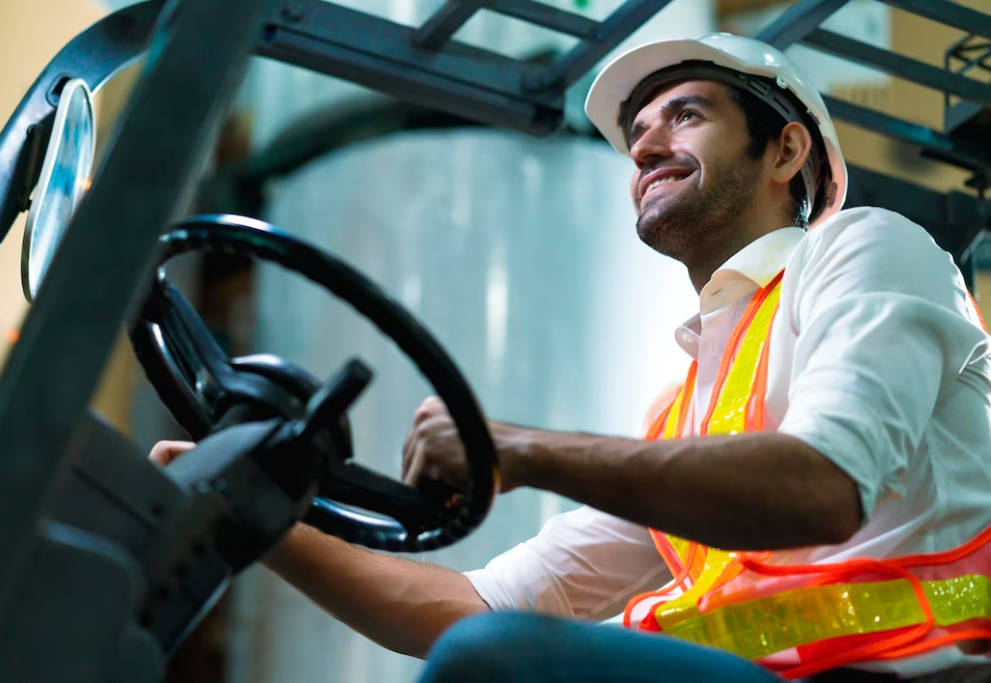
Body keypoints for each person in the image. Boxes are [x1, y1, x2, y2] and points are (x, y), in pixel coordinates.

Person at [153, 33, 991, 682]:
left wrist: (521, 448)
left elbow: (823, 486)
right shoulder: (686, 409)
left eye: (687, 115)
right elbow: (470, 607)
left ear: (785, 151)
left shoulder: (863, 247)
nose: (646, 146)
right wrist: (250, 516)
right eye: (638, 132)